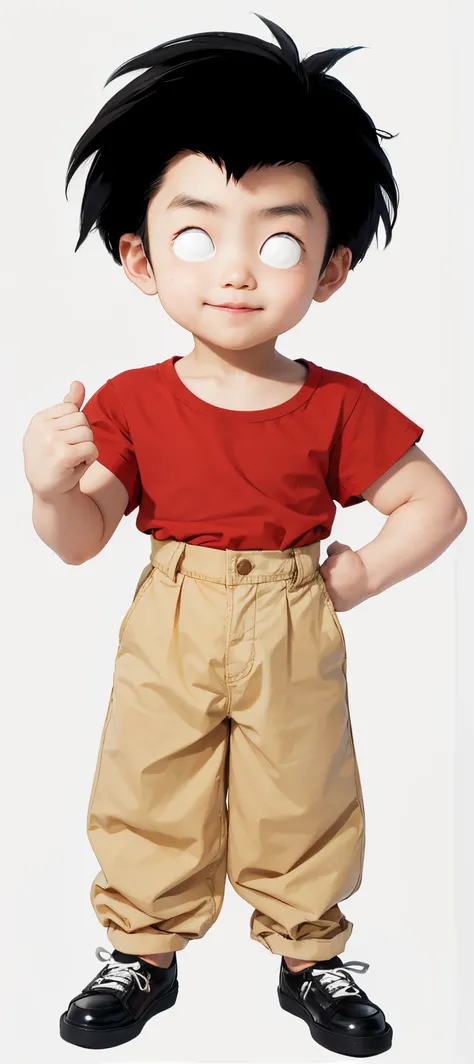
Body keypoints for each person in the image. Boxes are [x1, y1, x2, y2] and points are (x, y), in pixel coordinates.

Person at [22, 13, 467, 1058]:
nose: (234, 270)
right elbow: (84, 536)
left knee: (302, 782)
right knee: (150, 774)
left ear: (331, 267)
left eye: (276, 239)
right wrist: (49, 487)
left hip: (287, 605)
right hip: (169, 606)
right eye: (193, 234)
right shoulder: (132, 401)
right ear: (139, 256)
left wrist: (346, 580)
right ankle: (142, 951)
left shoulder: (338, 406)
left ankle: (311, 956)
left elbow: (437, 506)